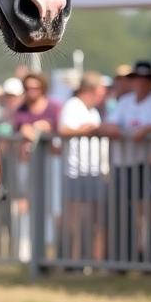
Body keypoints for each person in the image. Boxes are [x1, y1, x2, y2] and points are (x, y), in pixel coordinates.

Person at [100, 60, 151, 261]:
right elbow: (109, 125)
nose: (140, 82)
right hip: (125, 165)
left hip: (146, 165)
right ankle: (126, 255)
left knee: (146, 212)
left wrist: (143, 131)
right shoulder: (125, 101)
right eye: (137, 78)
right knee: (124, 212)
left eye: (145, 79)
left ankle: (148, 255)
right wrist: (116, 130)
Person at [58, 72, 108, 261]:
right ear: (90, 90)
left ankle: (92, 260)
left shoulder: (93, 111)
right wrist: (88, 130)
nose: (103, 95)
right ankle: (74, 260)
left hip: (95, 171)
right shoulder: (73, 106)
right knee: (76, 221)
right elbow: (64, 129)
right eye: (101, 90)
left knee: (96, 220)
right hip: (76, 172)